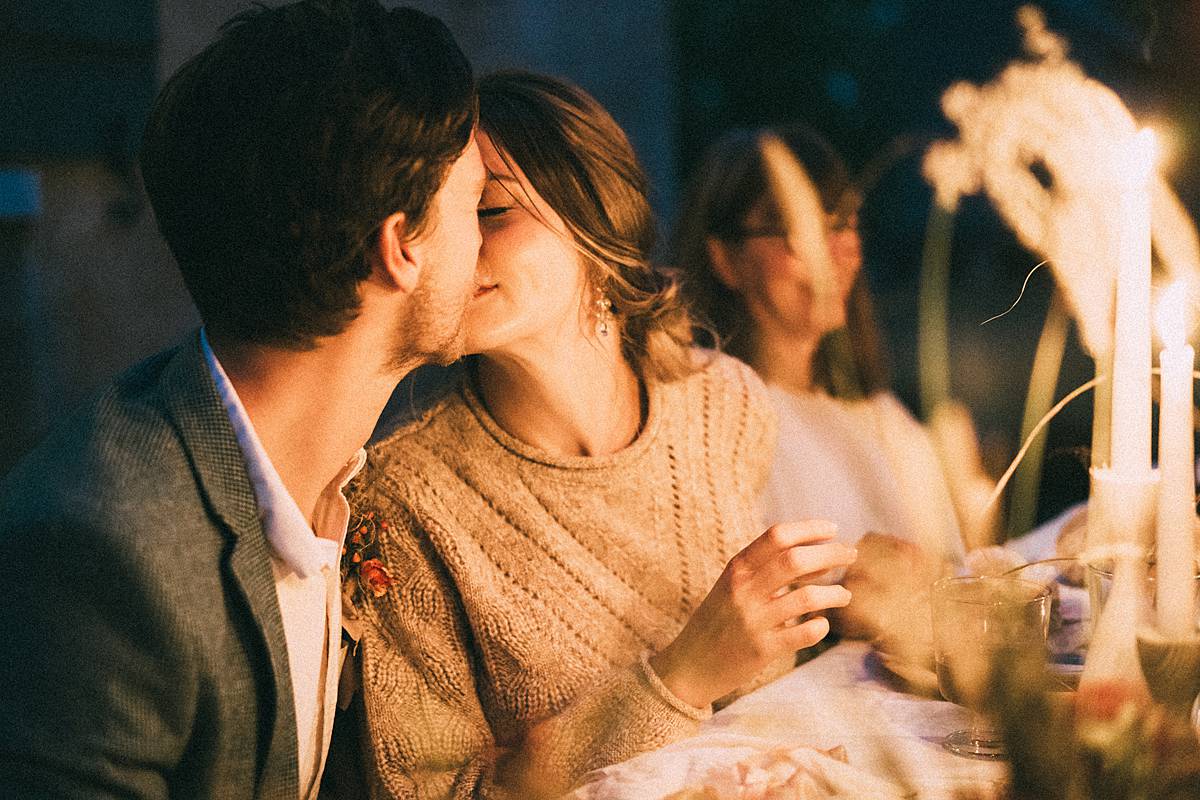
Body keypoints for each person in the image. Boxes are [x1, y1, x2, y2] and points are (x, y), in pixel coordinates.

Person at [0, 2, 484, 797]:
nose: (489, 241)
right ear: (399, 247)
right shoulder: (102, 555)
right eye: (479, 203)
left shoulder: (339, 481)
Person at [348, 72, 856, 800]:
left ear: (596, 213)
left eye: (490, 212)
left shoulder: (723, 403)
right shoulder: (400, 503)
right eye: (430, 224)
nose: (450, 252)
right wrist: (681, 676)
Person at [674, 125, 964, 569]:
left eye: (842, 223)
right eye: (793, 228)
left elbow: (957, 578)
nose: (830, 250)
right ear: (725, 259)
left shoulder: (886, 421)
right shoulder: (708, 426)